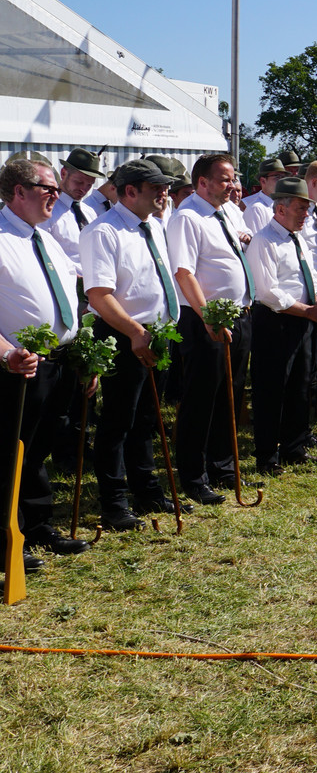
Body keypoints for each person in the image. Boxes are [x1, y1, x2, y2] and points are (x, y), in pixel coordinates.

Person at [0, 156, 92, 568]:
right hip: (18, 367)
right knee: (10, 453)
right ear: (19, 191)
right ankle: (7, 539)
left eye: (57, 188)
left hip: (59, 364)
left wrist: (81, 354)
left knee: (38, 451)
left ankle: (36, 526)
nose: (57, 195)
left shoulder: (46, 238)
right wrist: (7, 353)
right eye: (48, 188)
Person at [79, 158, 180, 529]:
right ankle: (114, 503)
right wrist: (135, 332)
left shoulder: (153, 226)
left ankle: (147, 491)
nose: (165, 193)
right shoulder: (103, 231)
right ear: (131, 191)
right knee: (118, 421)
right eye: (157, 188)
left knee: (147, 418)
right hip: (124, 335)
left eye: (165, 187)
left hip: (156, 333)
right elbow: (99, 294)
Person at [165, 153, 254, 503]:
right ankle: (194, 476)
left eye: (233, 178)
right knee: (201, 398)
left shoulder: (225, 212)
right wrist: (209, 319)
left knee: (230, 395)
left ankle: (223, 466)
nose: (232, 185)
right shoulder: (187, 217)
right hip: (205, 320)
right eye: (224, 179)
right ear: (202, 182)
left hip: (238, 315)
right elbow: (184, 273)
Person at [248, 176, 317, 475]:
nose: (306, 214)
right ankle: (267, 456)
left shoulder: (298, 238)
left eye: (307, 208)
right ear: (280, 209)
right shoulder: (264, 241)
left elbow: (310, 277)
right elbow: (268, 292)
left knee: (300, 385)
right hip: (276, 322)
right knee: (272, 389)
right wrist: (308, 310)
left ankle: (294, 447)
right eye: (300, 208)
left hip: (304, 320)